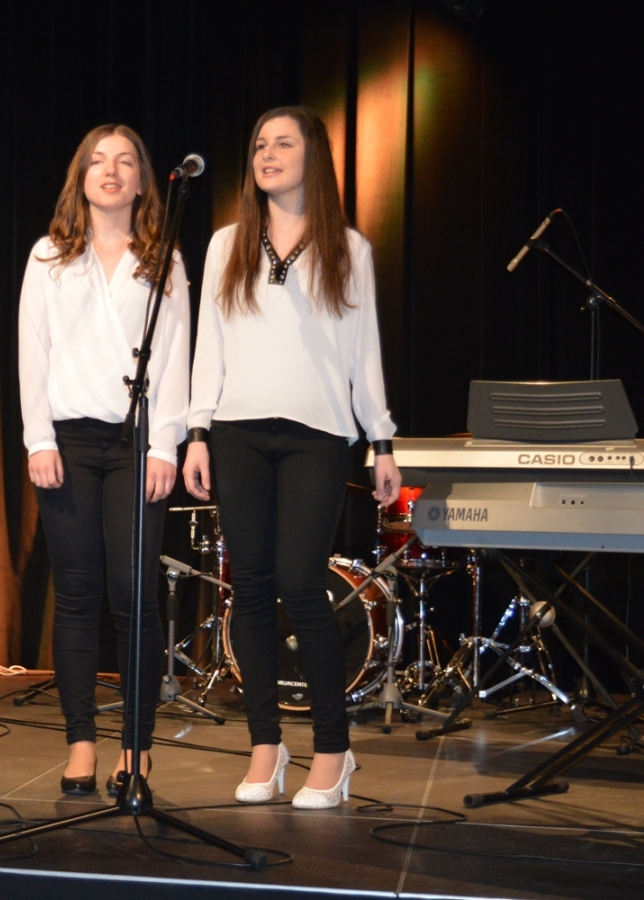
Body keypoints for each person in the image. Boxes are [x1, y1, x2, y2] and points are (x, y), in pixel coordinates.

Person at [182, 106, 402, 809]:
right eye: (259, 145)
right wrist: (196, 430)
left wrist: (382, 439)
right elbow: (209, 344)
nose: (268, 154)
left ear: (314, 158)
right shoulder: (226, 245)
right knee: (248, 589)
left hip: (317, 434)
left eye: (283, 143)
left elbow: (364, 355)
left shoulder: (349, 249)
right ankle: (265, 746)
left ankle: (333, 751)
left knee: (303, 586)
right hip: (238, 432)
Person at [19, 124, 190, 796]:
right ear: (81, 177)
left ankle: (136, 749)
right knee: (76, 594)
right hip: (67, 441)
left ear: (143, 180)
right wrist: (38, 438)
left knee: (133, 595)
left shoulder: (165, 259)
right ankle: (81, 743)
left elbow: (175, 357)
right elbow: (33, 351)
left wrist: (165, 445)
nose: (110, 171)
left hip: (135, 445)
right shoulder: (48, 256)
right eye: (97, 161)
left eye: (124, 162)